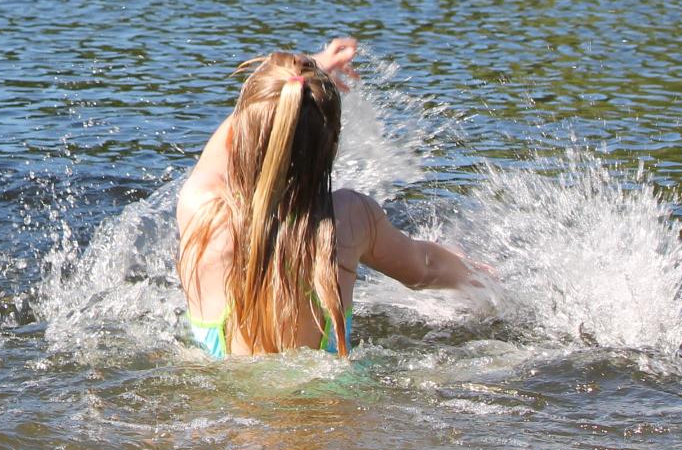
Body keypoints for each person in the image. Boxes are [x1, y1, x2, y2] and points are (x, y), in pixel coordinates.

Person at [175, 38, 485, 359]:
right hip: (330, 401)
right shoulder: (348, 218)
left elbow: (236, 134)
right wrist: (480, 276)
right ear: (330, 143)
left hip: (225, 405)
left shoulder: (202, 210)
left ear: (244, 132)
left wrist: (301, 74)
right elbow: (425, 267)